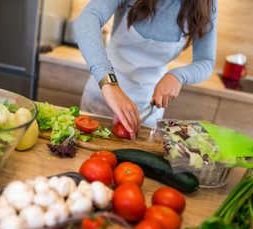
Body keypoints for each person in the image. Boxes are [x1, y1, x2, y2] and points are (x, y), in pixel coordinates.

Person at [74, 0, 217, 140]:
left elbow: (206, 61)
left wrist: (178, 76)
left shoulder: (206, 3)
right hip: (103, 91)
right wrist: (108, 82)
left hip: (148, 105)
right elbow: (87, 19)